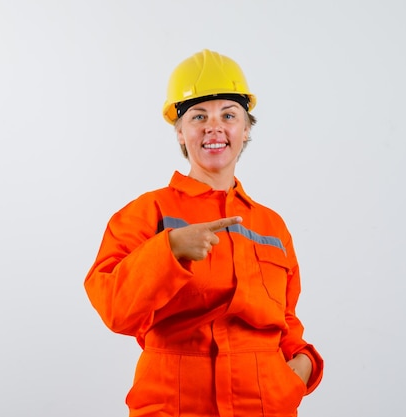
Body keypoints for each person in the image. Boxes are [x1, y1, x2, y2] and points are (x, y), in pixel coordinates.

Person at [83, 48, 323, 417]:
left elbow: (286, 317)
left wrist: (302, 363)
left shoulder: (271, 225)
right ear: (180, 133)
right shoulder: (148, 213)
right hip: (174, 403)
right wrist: (170, 249)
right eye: (198, 116)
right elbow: (114, 308)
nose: (215, 127)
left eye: (229, 115)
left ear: (245, 130)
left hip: (265, 404)